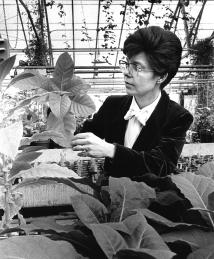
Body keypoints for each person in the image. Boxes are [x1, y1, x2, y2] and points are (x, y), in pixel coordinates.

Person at [71, 26, 193, 180]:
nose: (127, 72)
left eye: (138, 67)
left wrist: (111, 151)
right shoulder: (113, 105)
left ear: (161, 77)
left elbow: (160, 165)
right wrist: (62, 111)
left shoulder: (178, 117)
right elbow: (81, 138)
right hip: (113, 196)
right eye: (127, 64)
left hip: (153, 199)